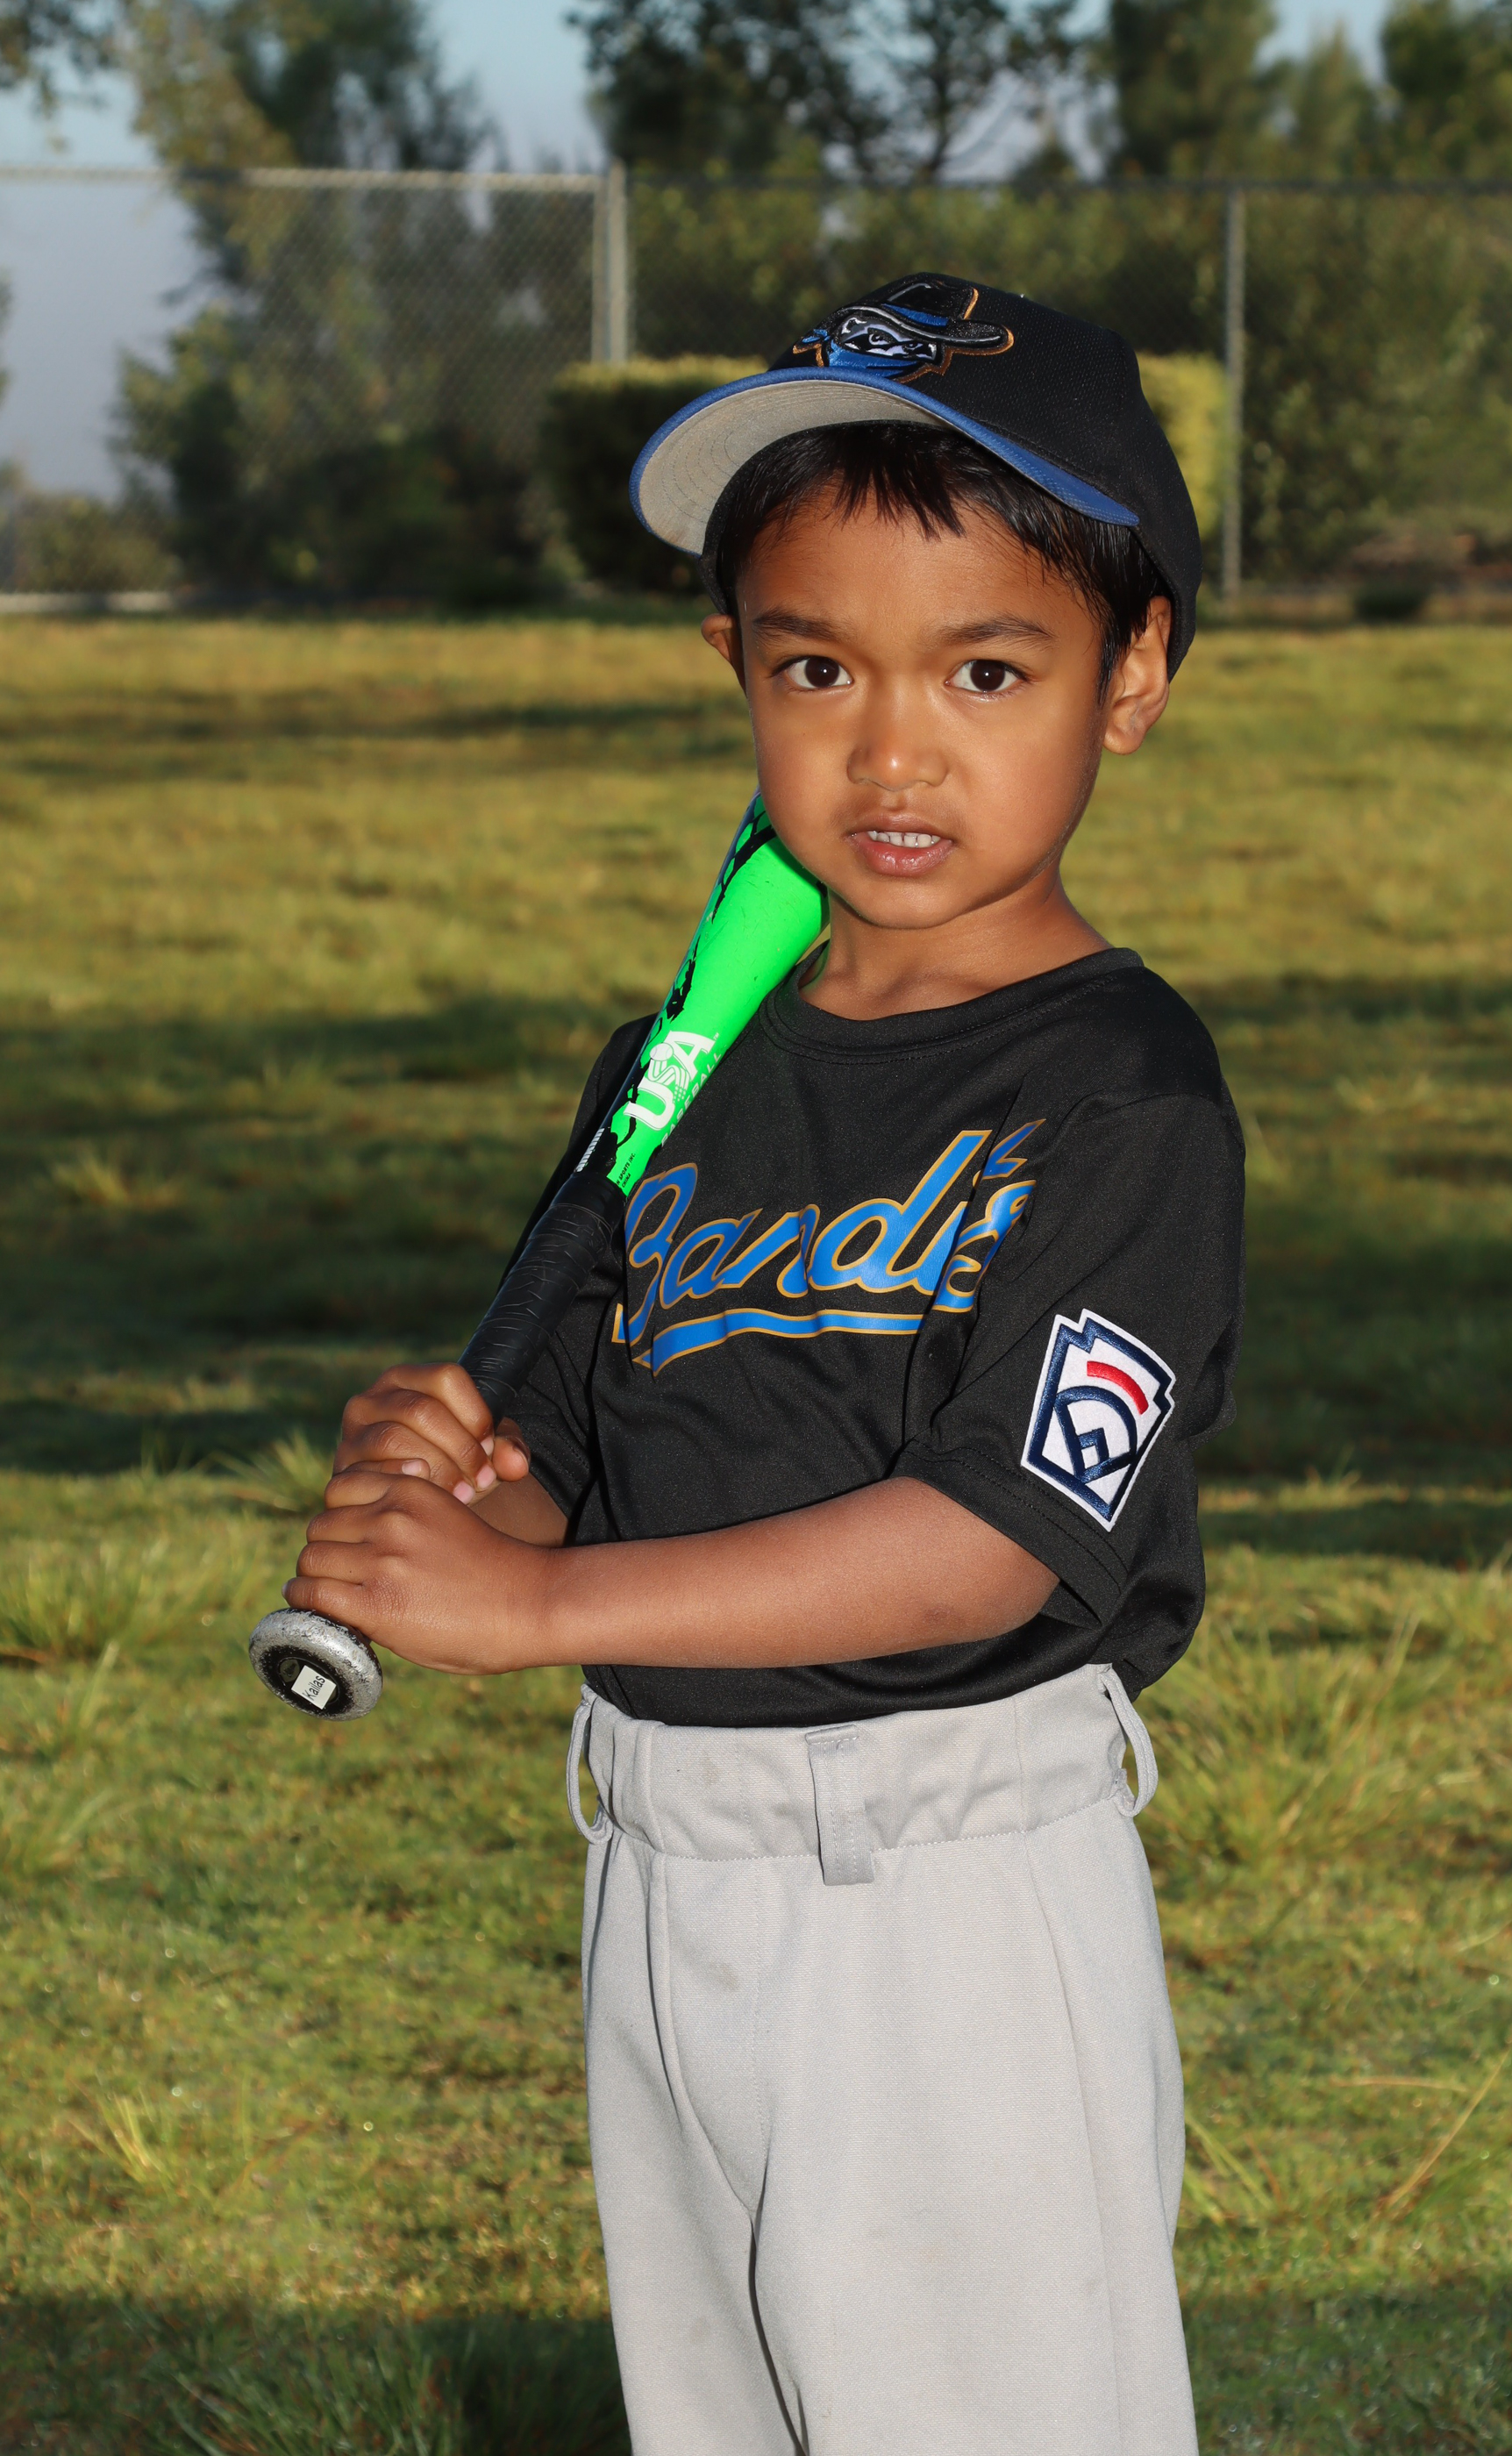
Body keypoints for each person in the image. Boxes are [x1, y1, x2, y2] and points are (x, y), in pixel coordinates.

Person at [287, 274, 1246, 2456]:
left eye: (984, 670)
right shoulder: (683, 1062)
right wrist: (480, 1488)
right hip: (666, 1854)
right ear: (733, 662)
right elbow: (596, 1443)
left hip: (938, 1888)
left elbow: (991, 1538)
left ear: (1130, 677)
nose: (890, 750)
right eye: (819, 667)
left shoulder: (1121, 1091)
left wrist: (537, 1601)